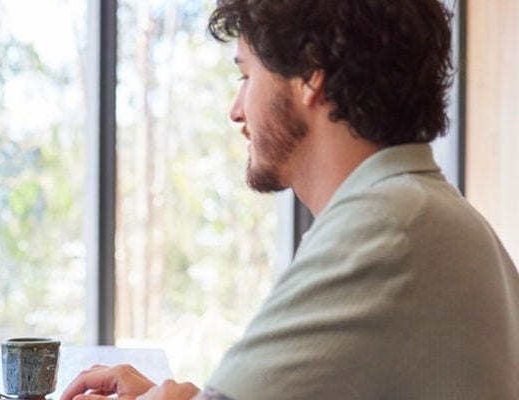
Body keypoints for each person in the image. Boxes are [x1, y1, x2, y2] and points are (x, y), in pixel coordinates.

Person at [61, 0, 519, 399]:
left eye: (246, 74)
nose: (236, 109)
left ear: (309, 73)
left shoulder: (384, 229)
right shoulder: (433, 217)